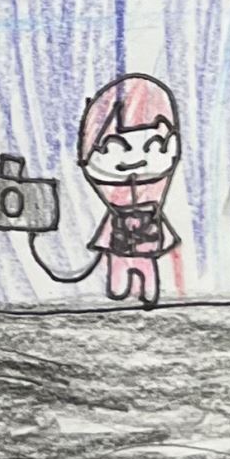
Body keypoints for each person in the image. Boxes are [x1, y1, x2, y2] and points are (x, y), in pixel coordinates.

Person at [15, 73, 183, 308]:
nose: (134, 160)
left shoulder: (151, 193)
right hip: (120, 233)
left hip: (147, 231)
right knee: (118, 263)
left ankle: (145, 289)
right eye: (115, 148)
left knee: (145, 262)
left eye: (153, 146)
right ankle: (119, 287)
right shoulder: (113, 197)